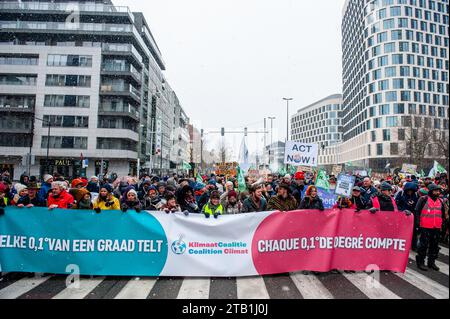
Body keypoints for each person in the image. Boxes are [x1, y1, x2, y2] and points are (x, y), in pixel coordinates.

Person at [415, 184, 446, 271]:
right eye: (435, 191)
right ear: (431, 191)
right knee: (423, 246)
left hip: (436, 227)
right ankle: (420, 262)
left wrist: (442, 225)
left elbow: (442, 214)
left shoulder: (440, 201)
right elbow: (417, 211)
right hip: (425, 227)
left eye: (438, 191)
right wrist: (417, 224)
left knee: (434, 246)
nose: (438, 192)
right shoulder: (423, 199)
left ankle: (431, 262)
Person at [395, 182, 420, 250]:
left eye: (411, 191)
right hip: (402, 216)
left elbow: (418, 206)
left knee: (413, 232)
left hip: (412, 217)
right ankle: (401, 245)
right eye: (408, 191)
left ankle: (414, 246)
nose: (410, 192)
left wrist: (414, 213)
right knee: (401, 231)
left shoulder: (416, 195)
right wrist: (402, 211)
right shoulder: (401, 194)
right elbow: (396, 204)